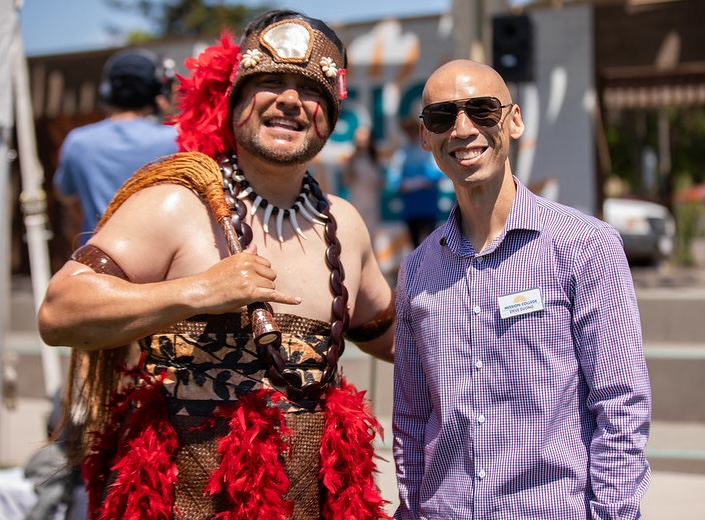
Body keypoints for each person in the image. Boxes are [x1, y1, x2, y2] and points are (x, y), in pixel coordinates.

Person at [38, 9, 395, 520]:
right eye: (270, 81)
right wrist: (198, 291)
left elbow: (393, 336)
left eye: (311, 89)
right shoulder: (176, 203)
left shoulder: (343, 222)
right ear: (234, 100)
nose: (291, 100)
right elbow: (58, 311)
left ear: (331, 114)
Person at [392, 59, 651, 519]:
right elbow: (411, 419)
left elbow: (621, 405)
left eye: (482, 110)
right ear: (425, 137)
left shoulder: (585, 246)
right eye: (442, 117)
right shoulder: (416, 270)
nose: (463, 129)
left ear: (514, 120)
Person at [53, 47, 179, 247]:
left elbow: (64, 194)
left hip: (95, 263)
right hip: (158, 265)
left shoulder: (78, 142)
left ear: (108, 90)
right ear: (156, 91)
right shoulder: (176, 140)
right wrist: (168, 109)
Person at [387, 116, 443, 248]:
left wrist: (416, 182)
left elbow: (437, 173)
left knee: (433, 245)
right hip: (411, 208)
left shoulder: (429, 151)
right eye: (408, 131)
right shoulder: (401, 153)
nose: (411, 134)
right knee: (415, 246)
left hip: (428, 206)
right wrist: (411, 184)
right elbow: (393, 180)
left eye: (413, 130)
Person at [341, 126, 384, 237]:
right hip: (357, 202)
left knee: (371, 234)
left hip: (372, 203)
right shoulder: (353, 159)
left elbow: (380, 182)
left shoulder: (374, 159)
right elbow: (346, 180)